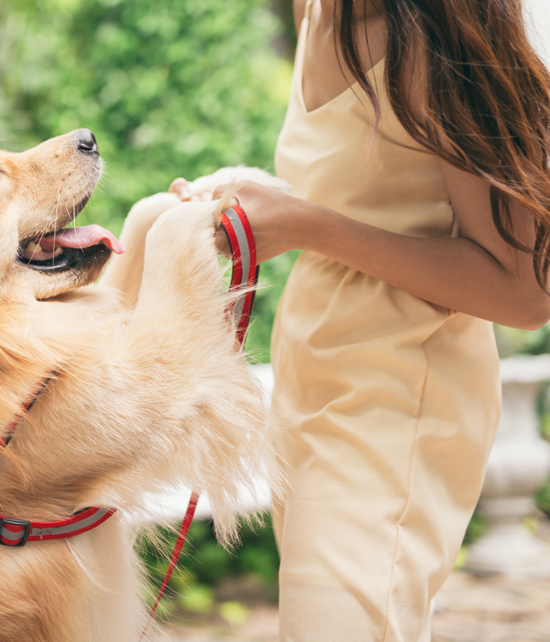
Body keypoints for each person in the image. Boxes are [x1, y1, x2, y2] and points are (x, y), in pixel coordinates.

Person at [169, 0, 550, 639]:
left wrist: (304, 226)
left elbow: (526, 294)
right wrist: (248, 202)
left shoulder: (437, 36)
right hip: (311, 390)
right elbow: (363, 195)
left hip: (398, 405)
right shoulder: (316, 11)